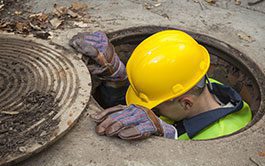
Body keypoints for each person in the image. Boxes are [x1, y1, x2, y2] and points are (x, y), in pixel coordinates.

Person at [69, 30, 252, 140]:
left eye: (157, 106)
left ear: (186, 103)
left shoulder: (220, 136)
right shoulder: (198, 85)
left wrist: (169, 136)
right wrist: (118, 81)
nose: (154, 110)